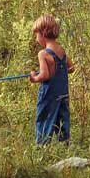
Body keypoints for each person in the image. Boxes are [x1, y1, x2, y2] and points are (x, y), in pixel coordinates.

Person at [28, 14, 74, 145]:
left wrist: (34, 77)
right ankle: (65, 143)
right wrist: (60, 70)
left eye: (36, 35)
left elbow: (44, 75)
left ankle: (42, 145)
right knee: (62, 117)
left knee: (44, 117)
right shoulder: (61, 50)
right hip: (63, 93)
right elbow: (71, 68)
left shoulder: (43, 54)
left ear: (43, 33)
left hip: (49, 95)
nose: (37, 39)